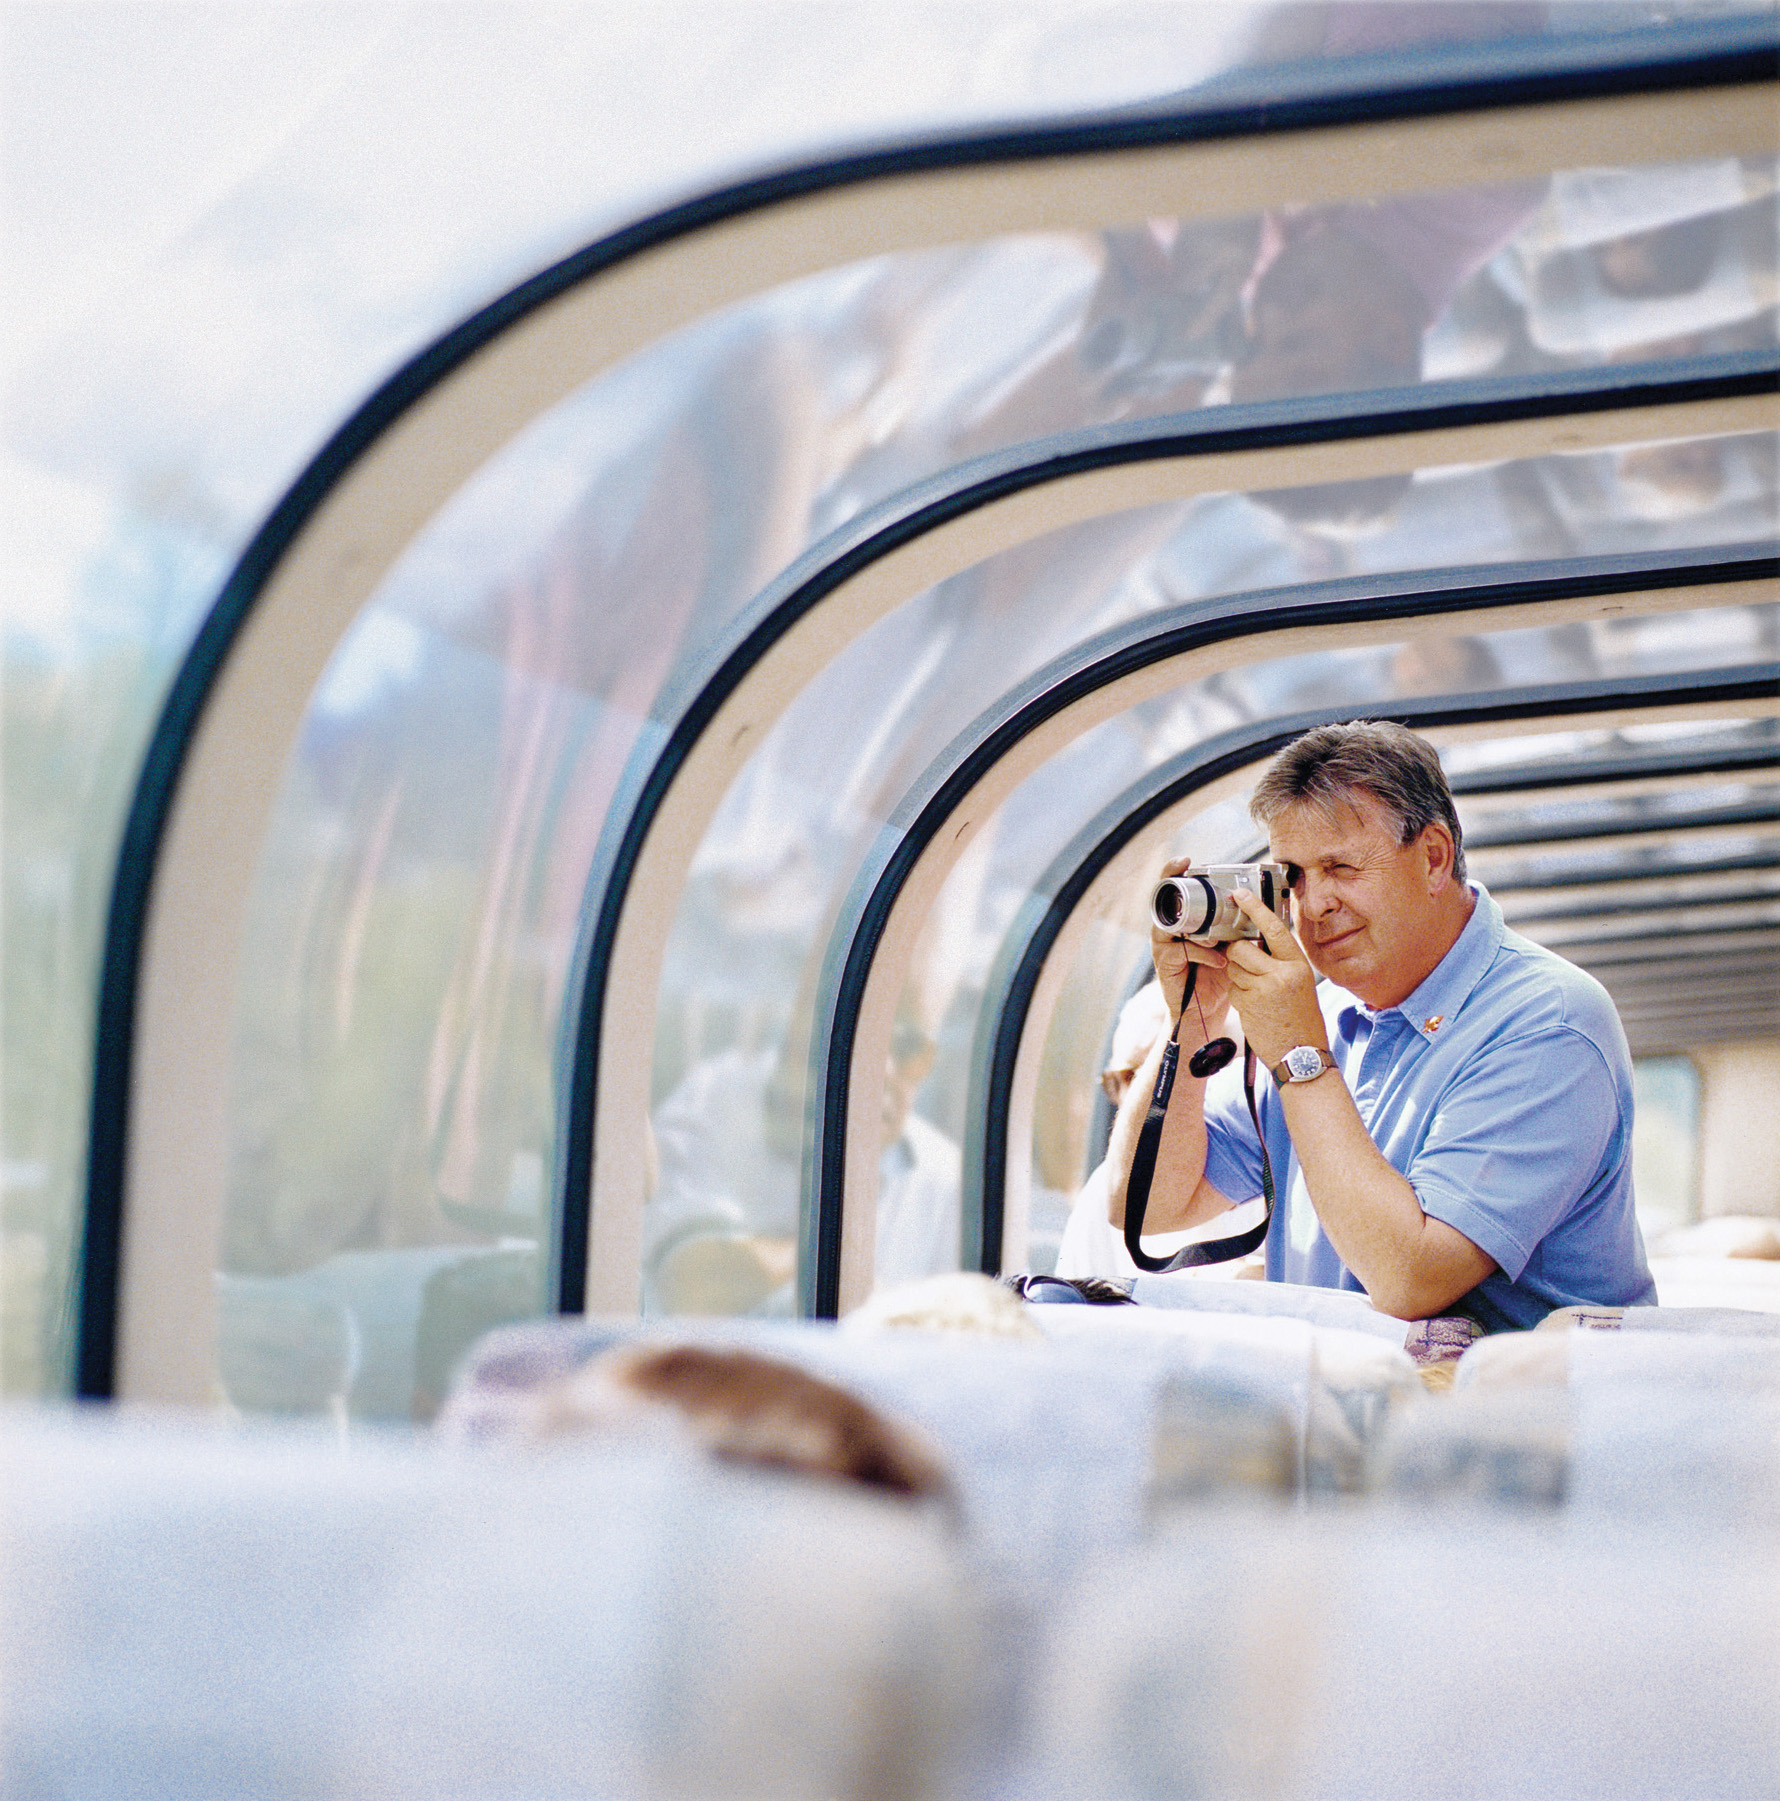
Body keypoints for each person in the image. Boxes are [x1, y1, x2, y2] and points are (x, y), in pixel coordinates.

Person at [1106, 721, 1655, 1331]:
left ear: (1433, 858)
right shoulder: (1327, 1014)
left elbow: (1410, 1277)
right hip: (1350, 1405)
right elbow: (1147, 1204)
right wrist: (1193, 1017)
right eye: (1294, 877)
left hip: (1516, 1412)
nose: (1314, 906)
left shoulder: (1548, 1023)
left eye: (1341, 867)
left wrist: (1299, 1055)